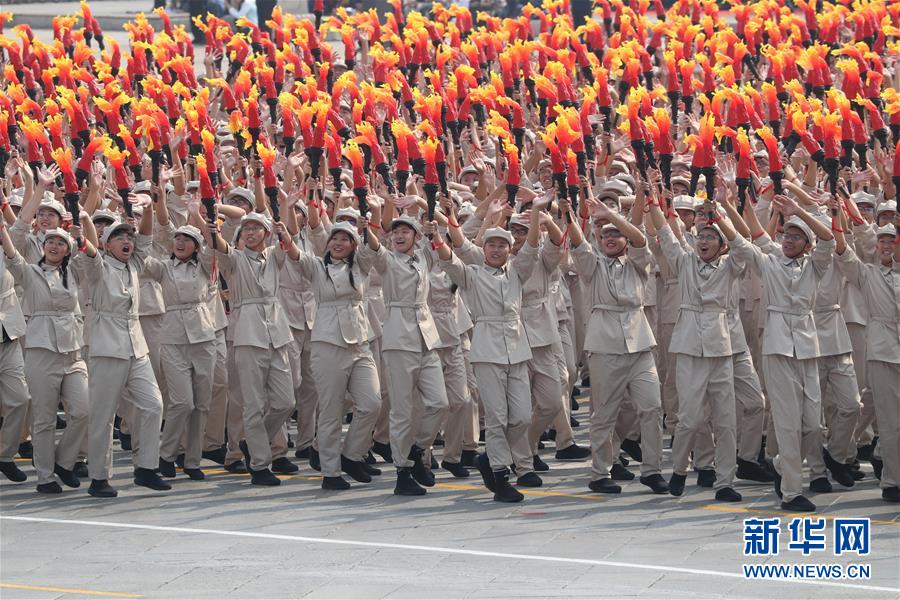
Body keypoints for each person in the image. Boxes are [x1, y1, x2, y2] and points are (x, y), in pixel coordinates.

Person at [428, 197, 547, 503]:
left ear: (509, 250)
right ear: (485, 249)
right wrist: (437, 237)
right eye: (491, 245)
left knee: (520, 417)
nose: (495, 250)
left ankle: (488, 459)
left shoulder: (517, 272)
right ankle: (500, 473)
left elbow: (532, 248)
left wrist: (535, 213)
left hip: (518, 347)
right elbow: (450, 260)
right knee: (497, 418)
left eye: (502, 245)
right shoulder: (473, 274)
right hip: (487, 348)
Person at [735, 195, 836, 512]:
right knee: (789, 422)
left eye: (796, 236)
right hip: (778, 346)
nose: (789, 240)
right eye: (786, 235)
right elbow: (744, 238)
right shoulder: (770, 263)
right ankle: (792, 492)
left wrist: (800, 211)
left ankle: (782, 463)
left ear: (807, 244)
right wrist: (727, 204)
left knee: (812, 425)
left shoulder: (815, 266)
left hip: (806, 346)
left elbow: (829, 239)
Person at [566, 186, 668, 496]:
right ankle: (600, 472)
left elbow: (639, 239)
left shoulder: (638, 262)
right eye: (604, 234)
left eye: (616, 234)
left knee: (651, 407)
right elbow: (577, 243)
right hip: (605, 344)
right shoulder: (592, 265)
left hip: (639, 343)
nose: (610, 238)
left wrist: (611, 215)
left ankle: (652, 470)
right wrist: (568, 208)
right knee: (605, 413)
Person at [647, 194, 746, 502]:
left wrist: (721, 215)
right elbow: (666, 234)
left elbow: (742, 245)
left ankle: (725, 480)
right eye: (700, 236)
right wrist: (652, 201)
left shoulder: (731, 265)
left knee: (726, 419)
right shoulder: (685, 261)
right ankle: (678, 469)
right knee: (689, 417)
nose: (703, 241)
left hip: (721, 346)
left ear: (721, 244)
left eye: (710, 237)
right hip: (690, 346)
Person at [75, 206, 171, 498]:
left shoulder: (134, 264)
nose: (127, 241)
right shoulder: (99, 266)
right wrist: (83, 221)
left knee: (154, 405)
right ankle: (99, 477)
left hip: (135, 344)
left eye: (128, 236)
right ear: (107, 244)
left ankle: (145, 468)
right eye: (119, 237)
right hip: (107, 346)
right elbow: (90, 249)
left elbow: (146, 235)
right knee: (103, 415)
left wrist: (149, 207)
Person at [291, 217, 382, 490]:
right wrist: (284, 229)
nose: (338, 243)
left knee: (371, 403)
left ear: (354, 245)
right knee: (331, 410)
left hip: (359, 343)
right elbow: (295, 254)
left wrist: (370, 226)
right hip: (327, 344)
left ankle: (352, 455)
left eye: (345, 239)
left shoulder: (361, 266)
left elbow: (375, 250)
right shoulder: (317, 267)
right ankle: (331, 471)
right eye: (335, 238)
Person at [208, 211, 297, 486]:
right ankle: (259, 465)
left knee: (286, 402)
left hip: (277, 332)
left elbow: (291, 248)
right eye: (245, 228)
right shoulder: (233, 260)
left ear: (266, 234)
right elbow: (218, 245)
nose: (249, 232)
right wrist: (205, 222)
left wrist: (287, 211)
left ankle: (251, 440)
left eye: (256, 228)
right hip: (247, 334)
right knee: (254, 404)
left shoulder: (273, 255)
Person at [1, 221, 90, 494]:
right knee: (44, 419)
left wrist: (82, 231)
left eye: (61, 243)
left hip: (73, 350)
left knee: (83, 411)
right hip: (41, 351)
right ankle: (45, 476)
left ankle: (64, 462)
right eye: (50, 241)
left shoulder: (75, 271)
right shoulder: (30, 273)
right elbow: (13, 257)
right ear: (42, 246)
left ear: (68, 251)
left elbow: (91, 258)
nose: (54, 246)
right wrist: (3, 230)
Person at [367, 203, 449, 496]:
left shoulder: (423, 257)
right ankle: (402, 469)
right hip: (399, 338)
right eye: (396, 232)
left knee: (440, 402)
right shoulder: (388, 260)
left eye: (406, 231)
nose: (400, 236)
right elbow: (374, 247)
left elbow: (436, 237)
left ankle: (417, 448)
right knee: (402, 411)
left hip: (426, 336)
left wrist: (432, 211)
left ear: (416, 236)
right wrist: (373, 219)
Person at [834, 218, 900, 503]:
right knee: (890, 422)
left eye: (892, 241)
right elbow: (844, 256)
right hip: (883, 352)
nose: (886, 246)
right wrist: (837, 220)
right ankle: (892, 481)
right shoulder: (868, 274)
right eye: (882, 241)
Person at [0, 211, 30, 485]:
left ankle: (5, 455)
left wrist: (40, 187)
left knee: (20, 398)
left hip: (8, 336)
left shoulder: (5, 249)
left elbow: (22, 221)